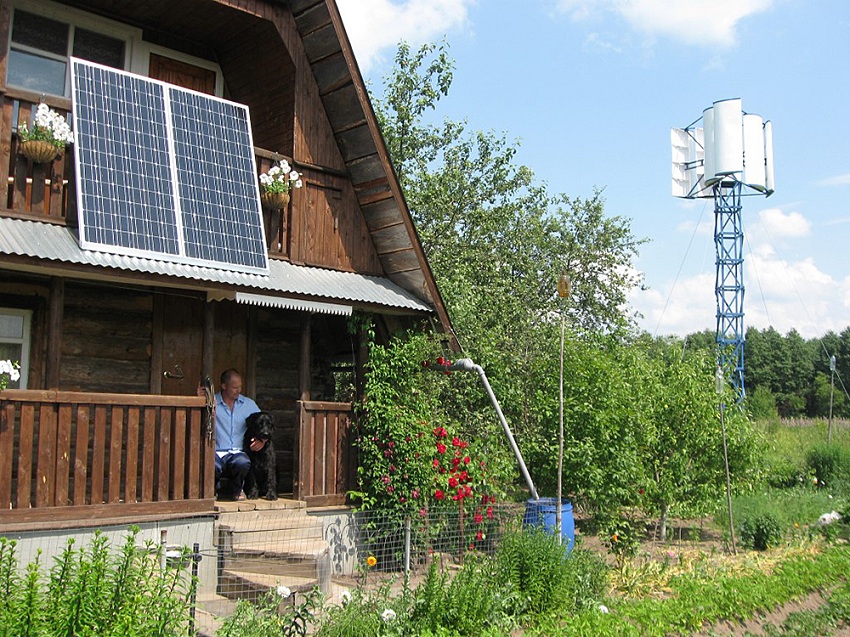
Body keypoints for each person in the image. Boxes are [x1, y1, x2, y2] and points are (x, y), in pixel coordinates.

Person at [212, 368, 263, 500]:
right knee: (212, 464)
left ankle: (237, 490)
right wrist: (199, 400)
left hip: (238, 452)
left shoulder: (248, 404)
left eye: (240, 387)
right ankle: (212, 491)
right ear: (224, 386)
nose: (238, 390)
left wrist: (262, 440)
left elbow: (263, 422)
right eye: (234, 387)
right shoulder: (212, 402)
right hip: (216, 451)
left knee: (243, 462)